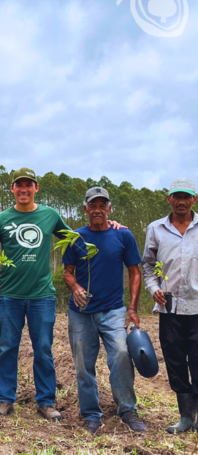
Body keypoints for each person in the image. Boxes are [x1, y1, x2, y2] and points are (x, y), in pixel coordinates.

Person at [0, 168, 73, 420]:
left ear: (36, 188)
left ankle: (46, 401)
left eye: (28, 185)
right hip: (9, 296)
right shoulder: (1, 220)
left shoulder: (50, 215)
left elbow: (74, 239)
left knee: (43, 348)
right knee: (7, 347)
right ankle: (5, 399)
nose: (24, 189)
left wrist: (110, 226)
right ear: (12, 189)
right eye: (19, 185)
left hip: (42, 296)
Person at [62, 186, 145, 434]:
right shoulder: (75, 238)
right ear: (85, 209)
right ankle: (91, 415)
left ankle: (127, 409)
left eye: (102, 205)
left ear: (109, 209)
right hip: (81, 313)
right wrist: (75, 286)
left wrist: (132, 307)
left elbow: (134, 272)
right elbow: (67, 272)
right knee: (83, 365)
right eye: (93, 205)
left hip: (113, 311)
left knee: (121, 355)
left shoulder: (123, 236)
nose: (97, 209)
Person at [142, 178, 198, 434]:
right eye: (177, 196)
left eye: (186, 196)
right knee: (175, 362)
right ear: (169, 200)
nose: (181, 201)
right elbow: (147, 265)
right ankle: (186, 417)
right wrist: (154, 289)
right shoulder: (156, 229)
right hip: (170, 309)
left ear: (193, 200)